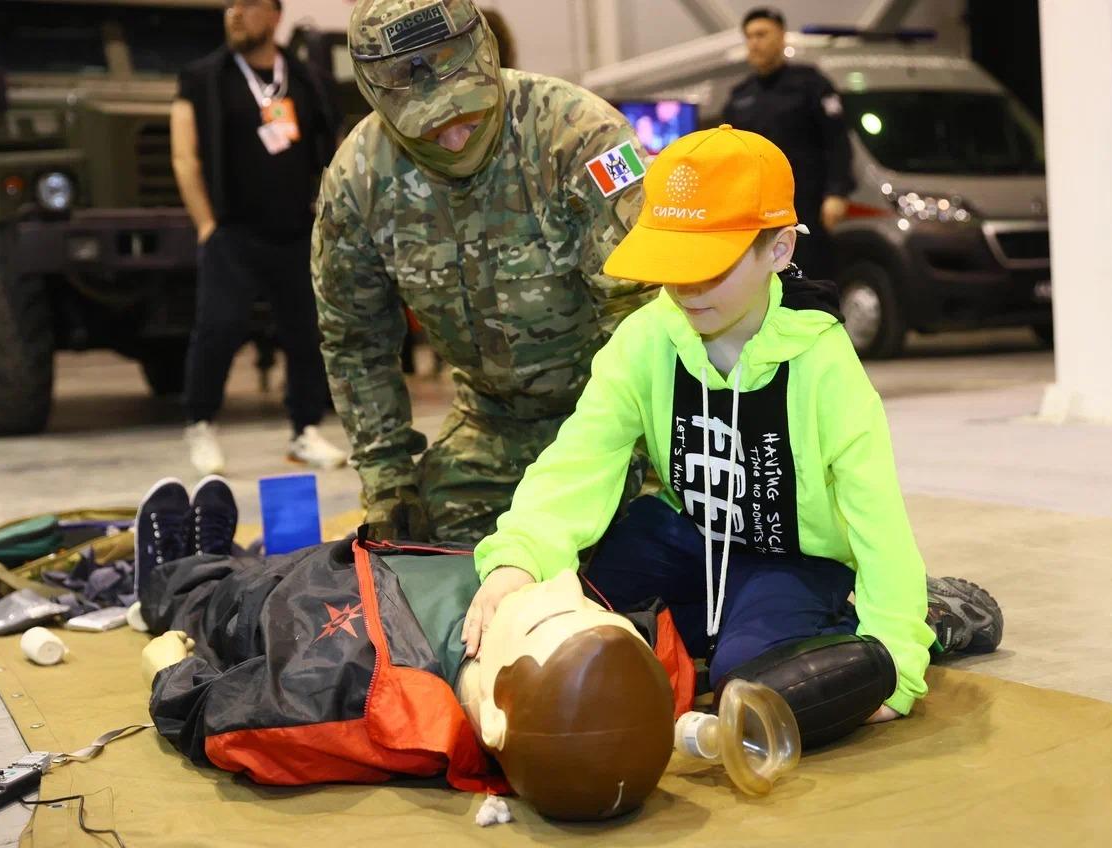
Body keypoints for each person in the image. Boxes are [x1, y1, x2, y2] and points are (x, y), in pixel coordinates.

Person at [467, 127, 1003, 747]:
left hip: (791, 555)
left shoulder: (823, 362)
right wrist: (517, 562)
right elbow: (579, 462)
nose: (686, 289)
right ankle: (715, 628)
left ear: (776, 250)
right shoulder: (645, 340)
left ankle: (921, 614)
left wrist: (899, 666)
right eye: (672, 265)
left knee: (748, 688)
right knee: (580, 610)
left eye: (709, 267)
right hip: (691, 534)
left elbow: (876, 519)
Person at [133, 477, 687, 820]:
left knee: (211, 597)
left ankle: (170, 574)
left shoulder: (353, 700)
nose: (566, 584)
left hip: (289, 608)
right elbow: (658, 665)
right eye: (592, 608)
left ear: (495, 717)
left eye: (551, 616)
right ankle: (213, 558)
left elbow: (227, 725)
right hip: (385, 559)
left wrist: (171, 674)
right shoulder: (634, 670)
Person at [311, 0, 655, 543]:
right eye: (427, 128)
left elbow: (645, 314)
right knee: (424, 567)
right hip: (492, 426)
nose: (452, 139)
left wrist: (656, 464)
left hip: (618, 423)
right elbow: (356, 343)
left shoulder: (579, 135)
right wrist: (388, 483)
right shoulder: (358, 181)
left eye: (466, 116)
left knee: (640, 567)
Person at [171, 0, 347, 475]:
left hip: (294, 230)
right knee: (218, 329)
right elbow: (184, 156)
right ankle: (202, 422)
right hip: (232, 231)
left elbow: (328, 147)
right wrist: (206, 224)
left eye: (246, 5)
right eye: (229, 6)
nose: (233, 13)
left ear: (273, 14)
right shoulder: (204, 77)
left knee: (304, 331)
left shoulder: (305, 78)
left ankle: (305, 429)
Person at [722, 7, 854, 281]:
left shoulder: (811, 84)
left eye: (761, 34)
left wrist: (837, 193)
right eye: (749, 36)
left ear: (781, 37)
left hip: (807, 205)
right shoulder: (740, 95)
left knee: (811, 280)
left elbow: (837, 140)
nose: (754, 43)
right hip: (756, 210)